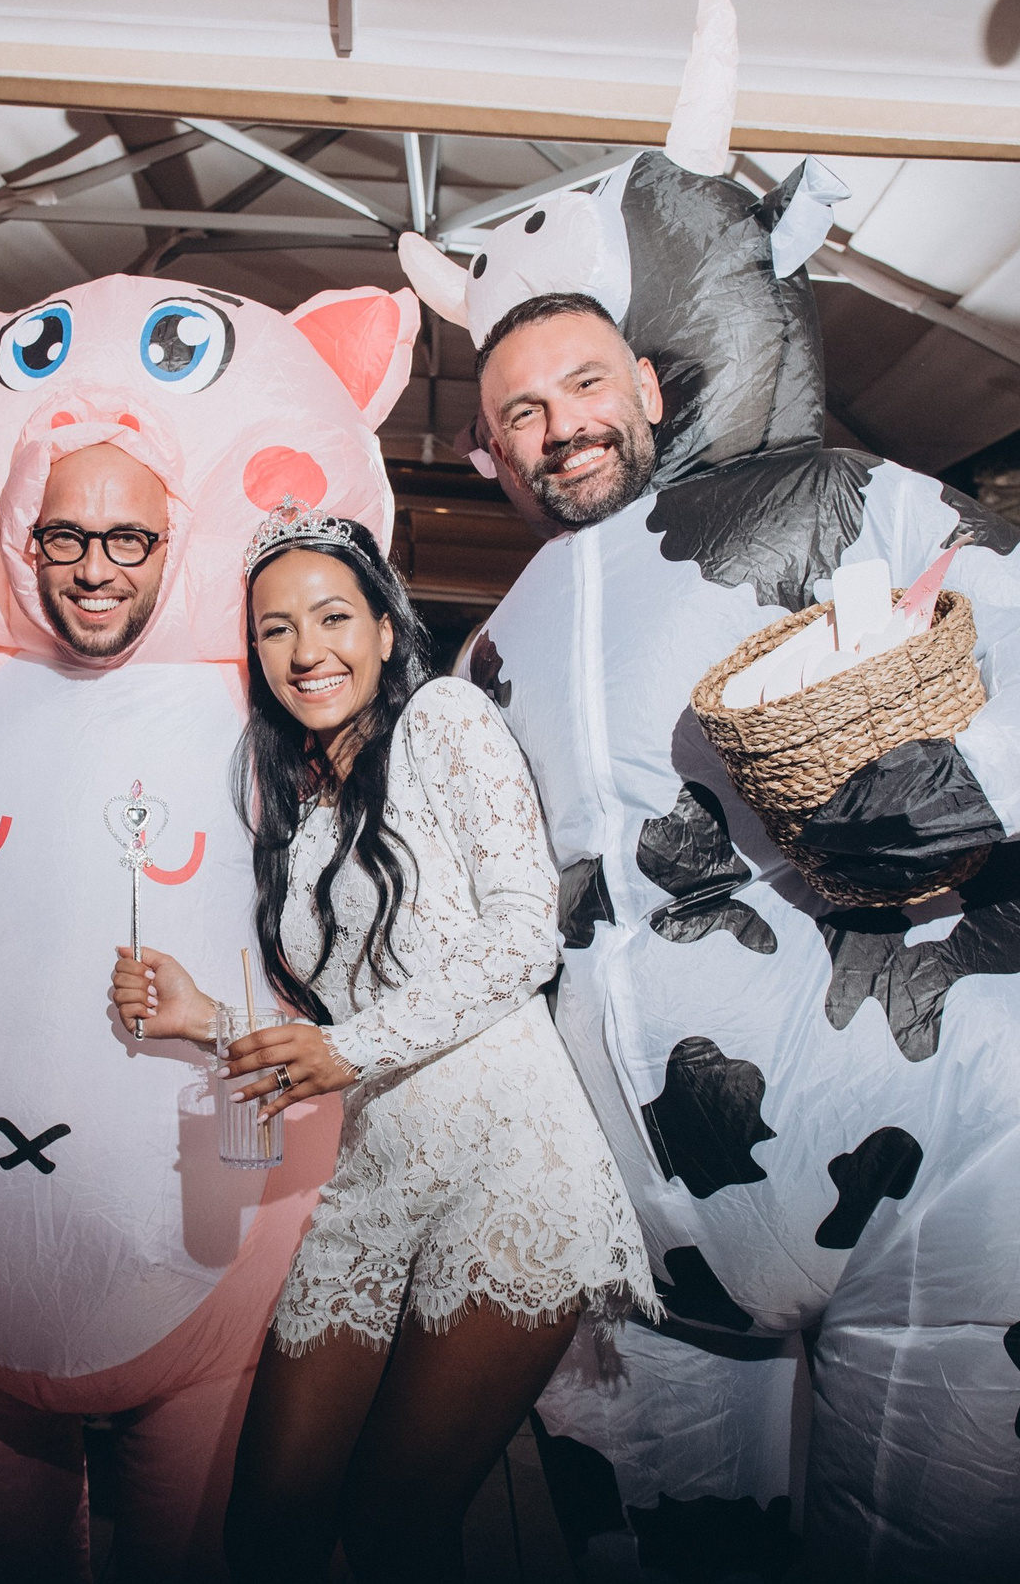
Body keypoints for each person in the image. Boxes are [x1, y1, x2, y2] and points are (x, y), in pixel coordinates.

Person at [395, 0, 1020, 1580]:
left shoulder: (840, 499)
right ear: (490, 457)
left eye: (579, 390)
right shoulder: (485, 649)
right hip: (643, 1245)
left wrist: (962, 778)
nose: (558, 428)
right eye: (518, 418)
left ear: (647, 387)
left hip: (963, 1173)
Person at [0, 268, 418, 1580]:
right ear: (21, 539)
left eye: (130, 539)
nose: (95, 567)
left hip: (230, 1261)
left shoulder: (300, 731)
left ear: (181, 544)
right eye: (66, 536)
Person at [111, 507, 653, 1578]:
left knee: (399, 1529)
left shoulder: (445, 719)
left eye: (331, 616)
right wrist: (205, 1019)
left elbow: (520, 935)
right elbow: (340, 1023)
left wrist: (344, 1050)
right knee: (267, 1528)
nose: (307, 650)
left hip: (510, 1169)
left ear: (384, 625)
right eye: (275, 629)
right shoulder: (302, 813)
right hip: (374, 1181)